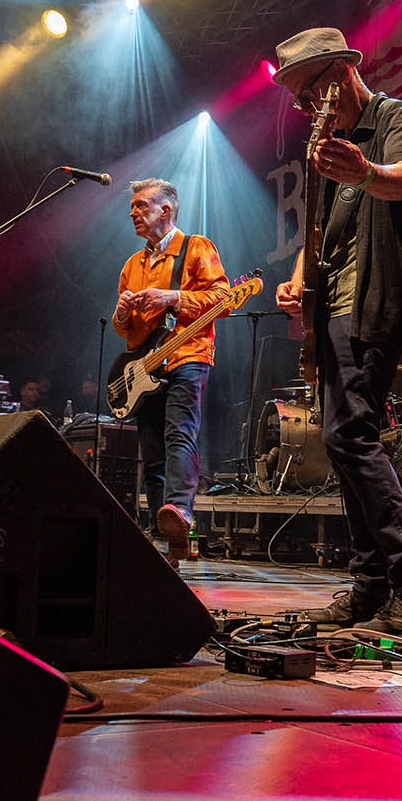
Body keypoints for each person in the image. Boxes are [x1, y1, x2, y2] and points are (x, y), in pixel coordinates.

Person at [273, 26, 402, 635]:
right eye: (299, 101)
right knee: (340, 437)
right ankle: (372, 583)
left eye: (310, 92)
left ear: (341, 73)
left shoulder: (395, 116)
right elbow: (319, 233)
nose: (307, 107)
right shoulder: (328, 147)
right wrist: (296, 281)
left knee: (349, 433)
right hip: (332, 309)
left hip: (377, 302)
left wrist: (363, 170)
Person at [113, 178, 228, 559]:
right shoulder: (132, 265)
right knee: (152, 450)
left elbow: (224, 299)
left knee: (180, 433)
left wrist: (174, 297)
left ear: (166, 210)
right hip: (145, 367)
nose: (133, 212)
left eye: (141, 205)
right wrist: (121, 314)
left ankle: (179, 511)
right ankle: (158, 526)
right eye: (132, 206)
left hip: (187, 355)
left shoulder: (196, 247)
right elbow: (123, 330)